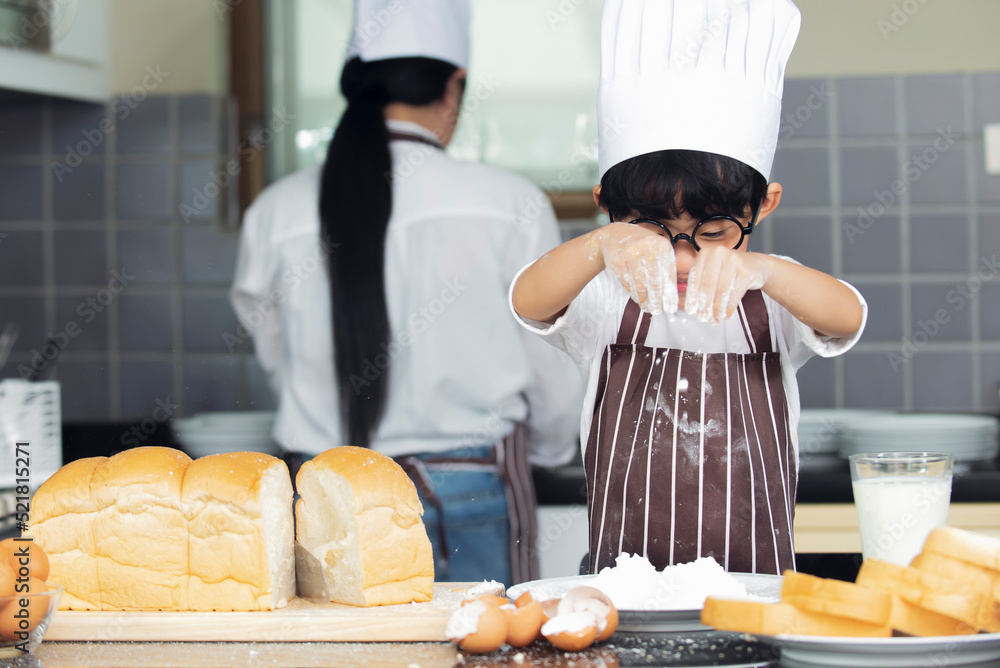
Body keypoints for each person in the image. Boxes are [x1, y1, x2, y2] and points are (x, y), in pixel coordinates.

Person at [231, 0, 583, 585]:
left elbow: (280, 357)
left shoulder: (275, 211)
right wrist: (549, 450)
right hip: (472, 489)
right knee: (488, 646)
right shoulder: (510, 203)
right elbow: (549, 360)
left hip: (325, 492)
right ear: (455, 86)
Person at [510, 0, 867, 576]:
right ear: (606, 206)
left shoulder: (772, 299)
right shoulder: (606, 295)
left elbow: (846, 317)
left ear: (763, 206)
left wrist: (767, 271)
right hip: (624, 597)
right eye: (650, 231)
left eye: (715, 233)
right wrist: (600, 247)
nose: (680, 257)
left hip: (757, 596)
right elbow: (528, 300)